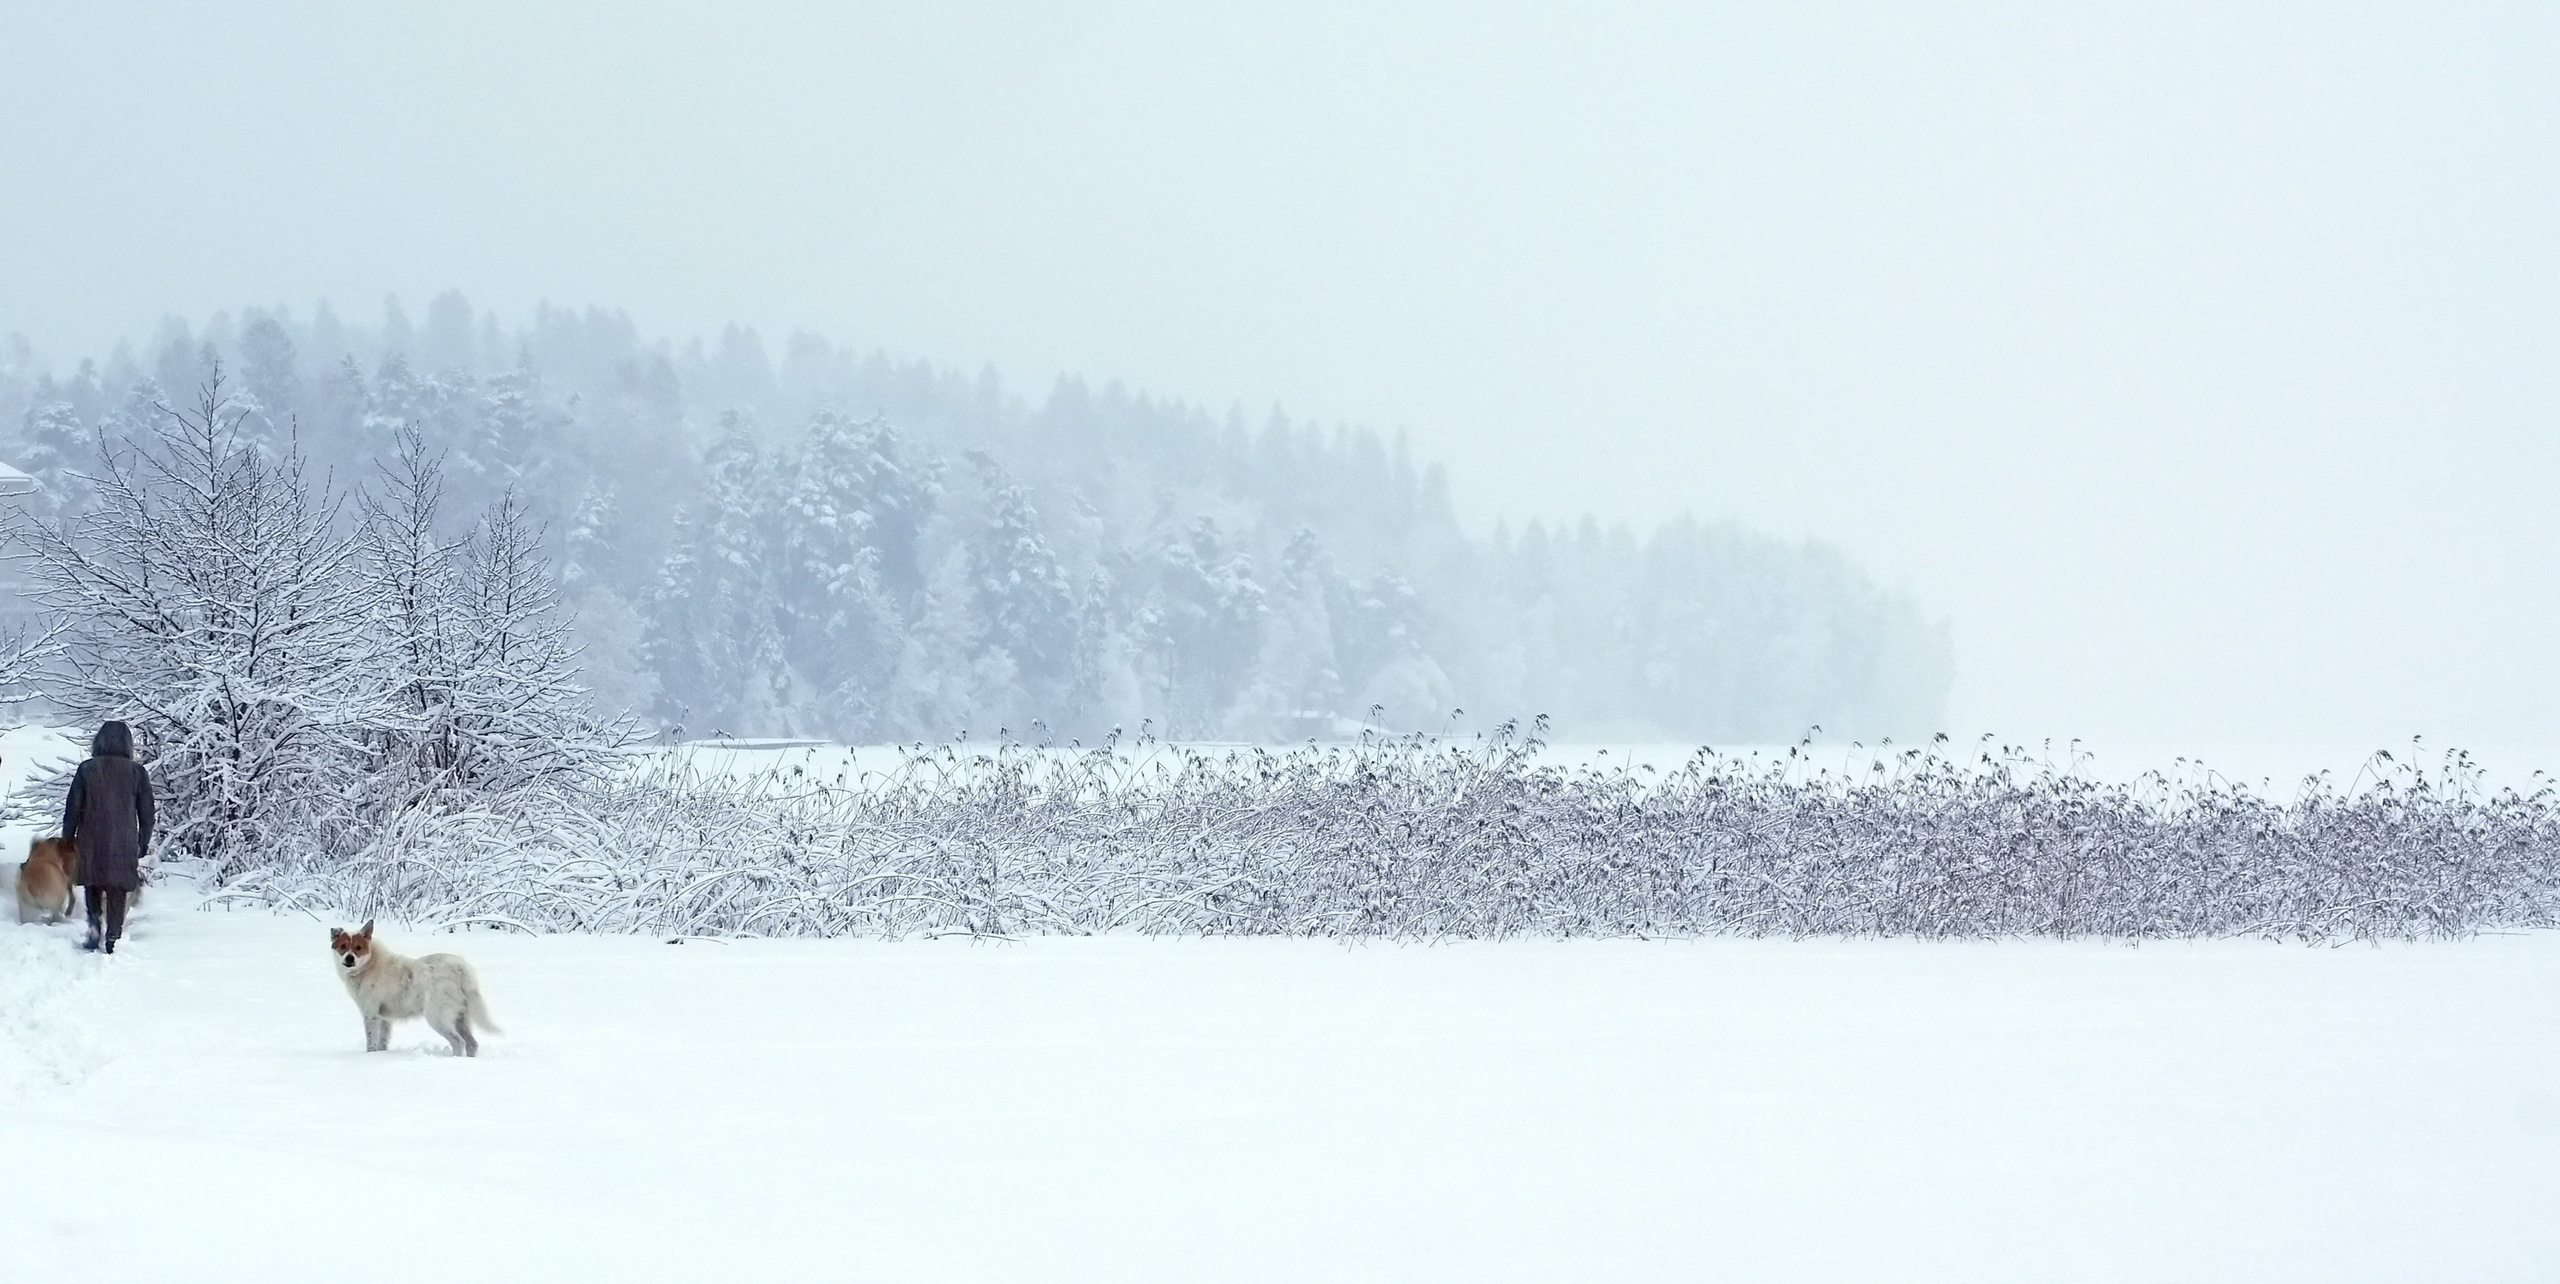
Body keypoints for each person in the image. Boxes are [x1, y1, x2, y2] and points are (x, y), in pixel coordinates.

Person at [63, 720, 153, 954]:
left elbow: (72, 808)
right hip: (124, 840)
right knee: (118, 888)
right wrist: (142, 843)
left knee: (92, 883)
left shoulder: (87, 769)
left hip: (91, 838)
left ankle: (94, 930)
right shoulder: (137, 773)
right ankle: (114, 934)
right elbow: (147, 813)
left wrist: (67, 840)